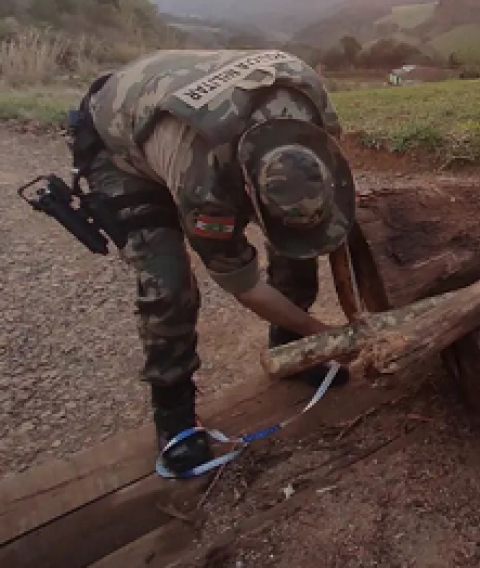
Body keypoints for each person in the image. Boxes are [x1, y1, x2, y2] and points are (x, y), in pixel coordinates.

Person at [72, 49, 356, 477]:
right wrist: (331, 335)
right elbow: (243, 284)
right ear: (247, 187)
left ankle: (292, 349)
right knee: (167, 284)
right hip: (120, 146)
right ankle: (174, 419)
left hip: (176, 105)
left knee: (296, 245)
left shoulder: (307, 97)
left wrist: (347, 320)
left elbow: (333, 215)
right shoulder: (204, 184)